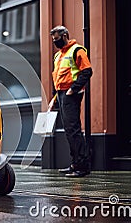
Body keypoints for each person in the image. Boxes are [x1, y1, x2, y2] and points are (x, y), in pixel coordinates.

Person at [48, 25, 93, 177]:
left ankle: (82, 166)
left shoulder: (77, 50)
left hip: (71, 94)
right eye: (53, 39)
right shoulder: (58, 56)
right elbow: (58, 79)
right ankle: (75, 164)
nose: (55, 42)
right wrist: (54, 98)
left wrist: (73, 89)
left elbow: (87, 71)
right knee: (69, 130)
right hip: (61, 95)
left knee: (73, 130)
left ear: (65, 35)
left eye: (57, 39)